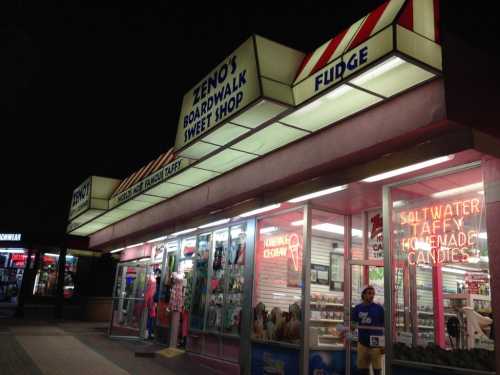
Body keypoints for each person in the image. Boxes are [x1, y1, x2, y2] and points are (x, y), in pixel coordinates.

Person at [352, 285, 384, 375]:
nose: (372, 295)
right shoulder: (357, 308)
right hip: (362, 342)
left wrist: (383, 344)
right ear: (363, 295)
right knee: (363, 370)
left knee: (377, 370)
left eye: (373, 293)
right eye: (369, 293)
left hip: (376, 342)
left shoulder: (379, 308)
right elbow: (353, 324)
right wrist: (346, 332)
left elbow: (384, 326)